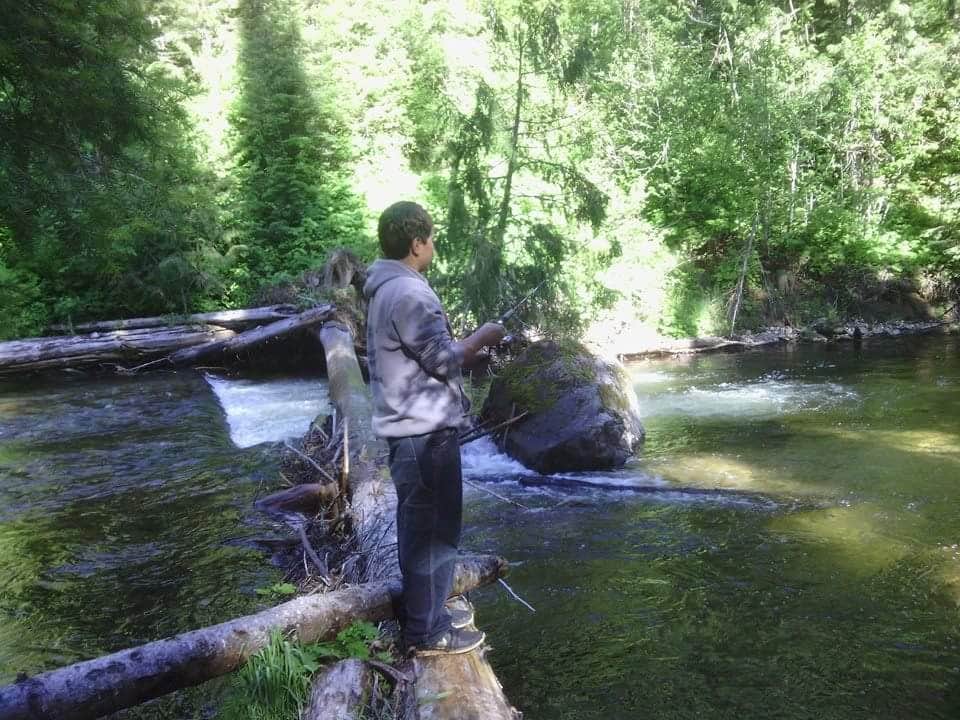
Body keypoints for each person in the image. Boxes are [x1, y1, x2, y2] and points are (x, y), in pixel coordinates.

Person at [363, 201, 505, 655]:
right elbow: (442, 358)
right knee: (435, 531)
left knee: (419, 526)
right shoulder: (409, 292)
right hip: (423, 434)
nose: (434, 245)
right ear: (416, 243)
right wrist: (484, 335)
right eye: (432, 239)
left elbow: (423, 358)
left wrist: (469, 357)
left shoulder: (387, 287)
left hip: (409, 429)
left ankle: (427, 612)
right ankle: (427, 632)